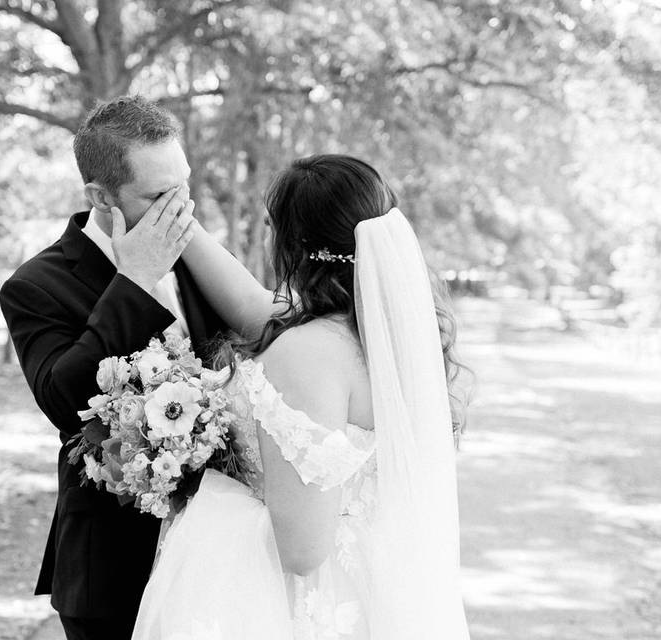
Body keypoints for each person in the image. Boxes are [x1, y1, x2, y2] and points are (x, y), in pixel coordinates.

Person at [132, 154, 471, 639]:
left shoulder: (305, 353)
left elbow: (303, 549)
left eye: (273, 227)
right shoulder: (383, 333)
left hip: (303, 604)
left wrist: (213, 491)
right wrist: (181, 220)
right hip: (374, 585)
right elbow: (251, 304)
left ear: (295, 242)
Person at [0, 95, 226, 640]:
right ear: (101, 197)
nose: (180, 209)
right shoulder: (35, 285)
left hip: (217, 555)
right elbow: (65, 399)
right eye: (157, 195)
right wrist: (136, 281)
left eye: (184, 187)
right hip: (112, 566)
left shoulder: (199, 255)